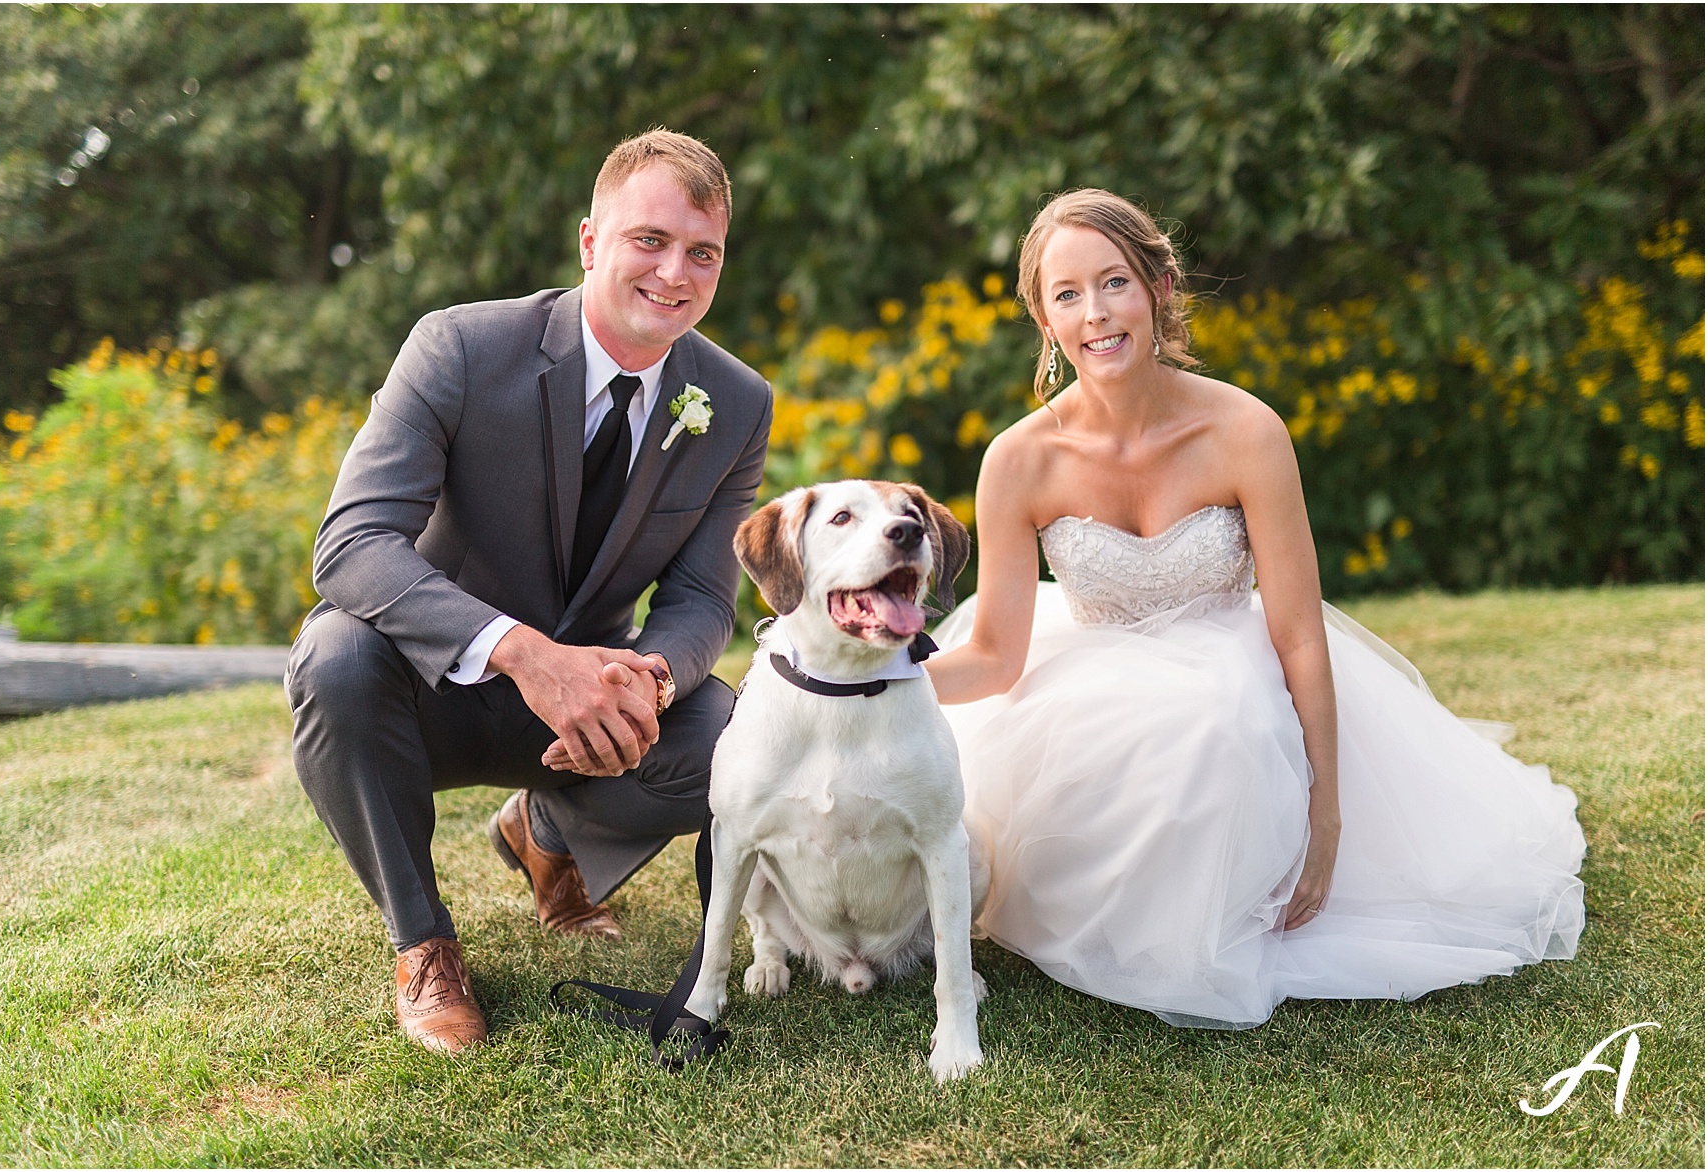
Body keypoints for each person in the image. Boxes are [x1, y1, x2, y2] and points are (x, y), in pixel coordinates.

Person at [925, 189, 1586, 1029]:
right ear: (1042, 317)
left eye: (1115, 283)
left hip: (1237, 673)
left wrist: (1327, 812)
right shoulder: (1016, 460)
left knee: (1215, 722)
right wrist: (863, 678)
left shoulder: (1245, 432)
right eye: (1067, 295)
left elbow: (1299, 633)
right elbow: (994, 657)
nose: (1095, 314)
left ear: (1160, 287)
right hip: (1087, 688)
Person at [285, 130, 772, 1053]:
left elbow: (705, 598)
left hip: (580, 716)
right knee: (333, 658)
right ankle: (424, 944)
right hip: (425, 687)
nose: (675, 272)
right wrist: (524, 653)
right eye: (649, 241)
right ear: (591, 241)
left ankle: (544, 832)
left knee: (735, 745)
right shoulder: (462, 347)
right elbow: (351, 545)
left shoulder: (734, 402)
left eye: (701, 253)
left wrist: (652, 682)